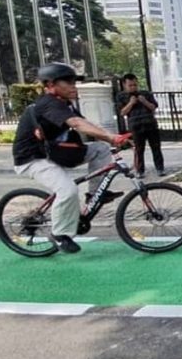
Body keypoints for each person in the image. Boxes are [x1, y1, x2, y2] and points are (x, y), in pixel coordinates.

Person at [12, 63, 130, 254]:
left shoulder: (64, 103)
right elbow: (76, 123)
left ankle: (95, 194)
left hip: (55, 152)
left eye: (75, 81)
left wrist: (112, 139)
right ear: (50, 84)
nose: (74, 85)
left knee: (100, 149)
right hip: (32, 159)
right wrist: (111, 137)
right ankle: (59, 235)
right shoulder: (47, 103)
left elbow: (84, 124)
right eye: (68, 81)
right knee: (67, 190)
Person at [116, 73, 166, 179]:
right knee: (139, 149)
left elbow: (153, 107)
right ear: (125, 85)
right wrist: (131, 103)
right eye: (130, 85)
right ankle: (140, 170)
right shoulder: (121, 96)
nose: (133, 87)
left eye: (135, 85)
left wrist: (144, 101)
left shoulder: (145, 94)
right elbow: (122, 112)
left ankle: (160, 168)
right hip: (136, 126)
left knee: (156, 147)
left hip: (150, 124)